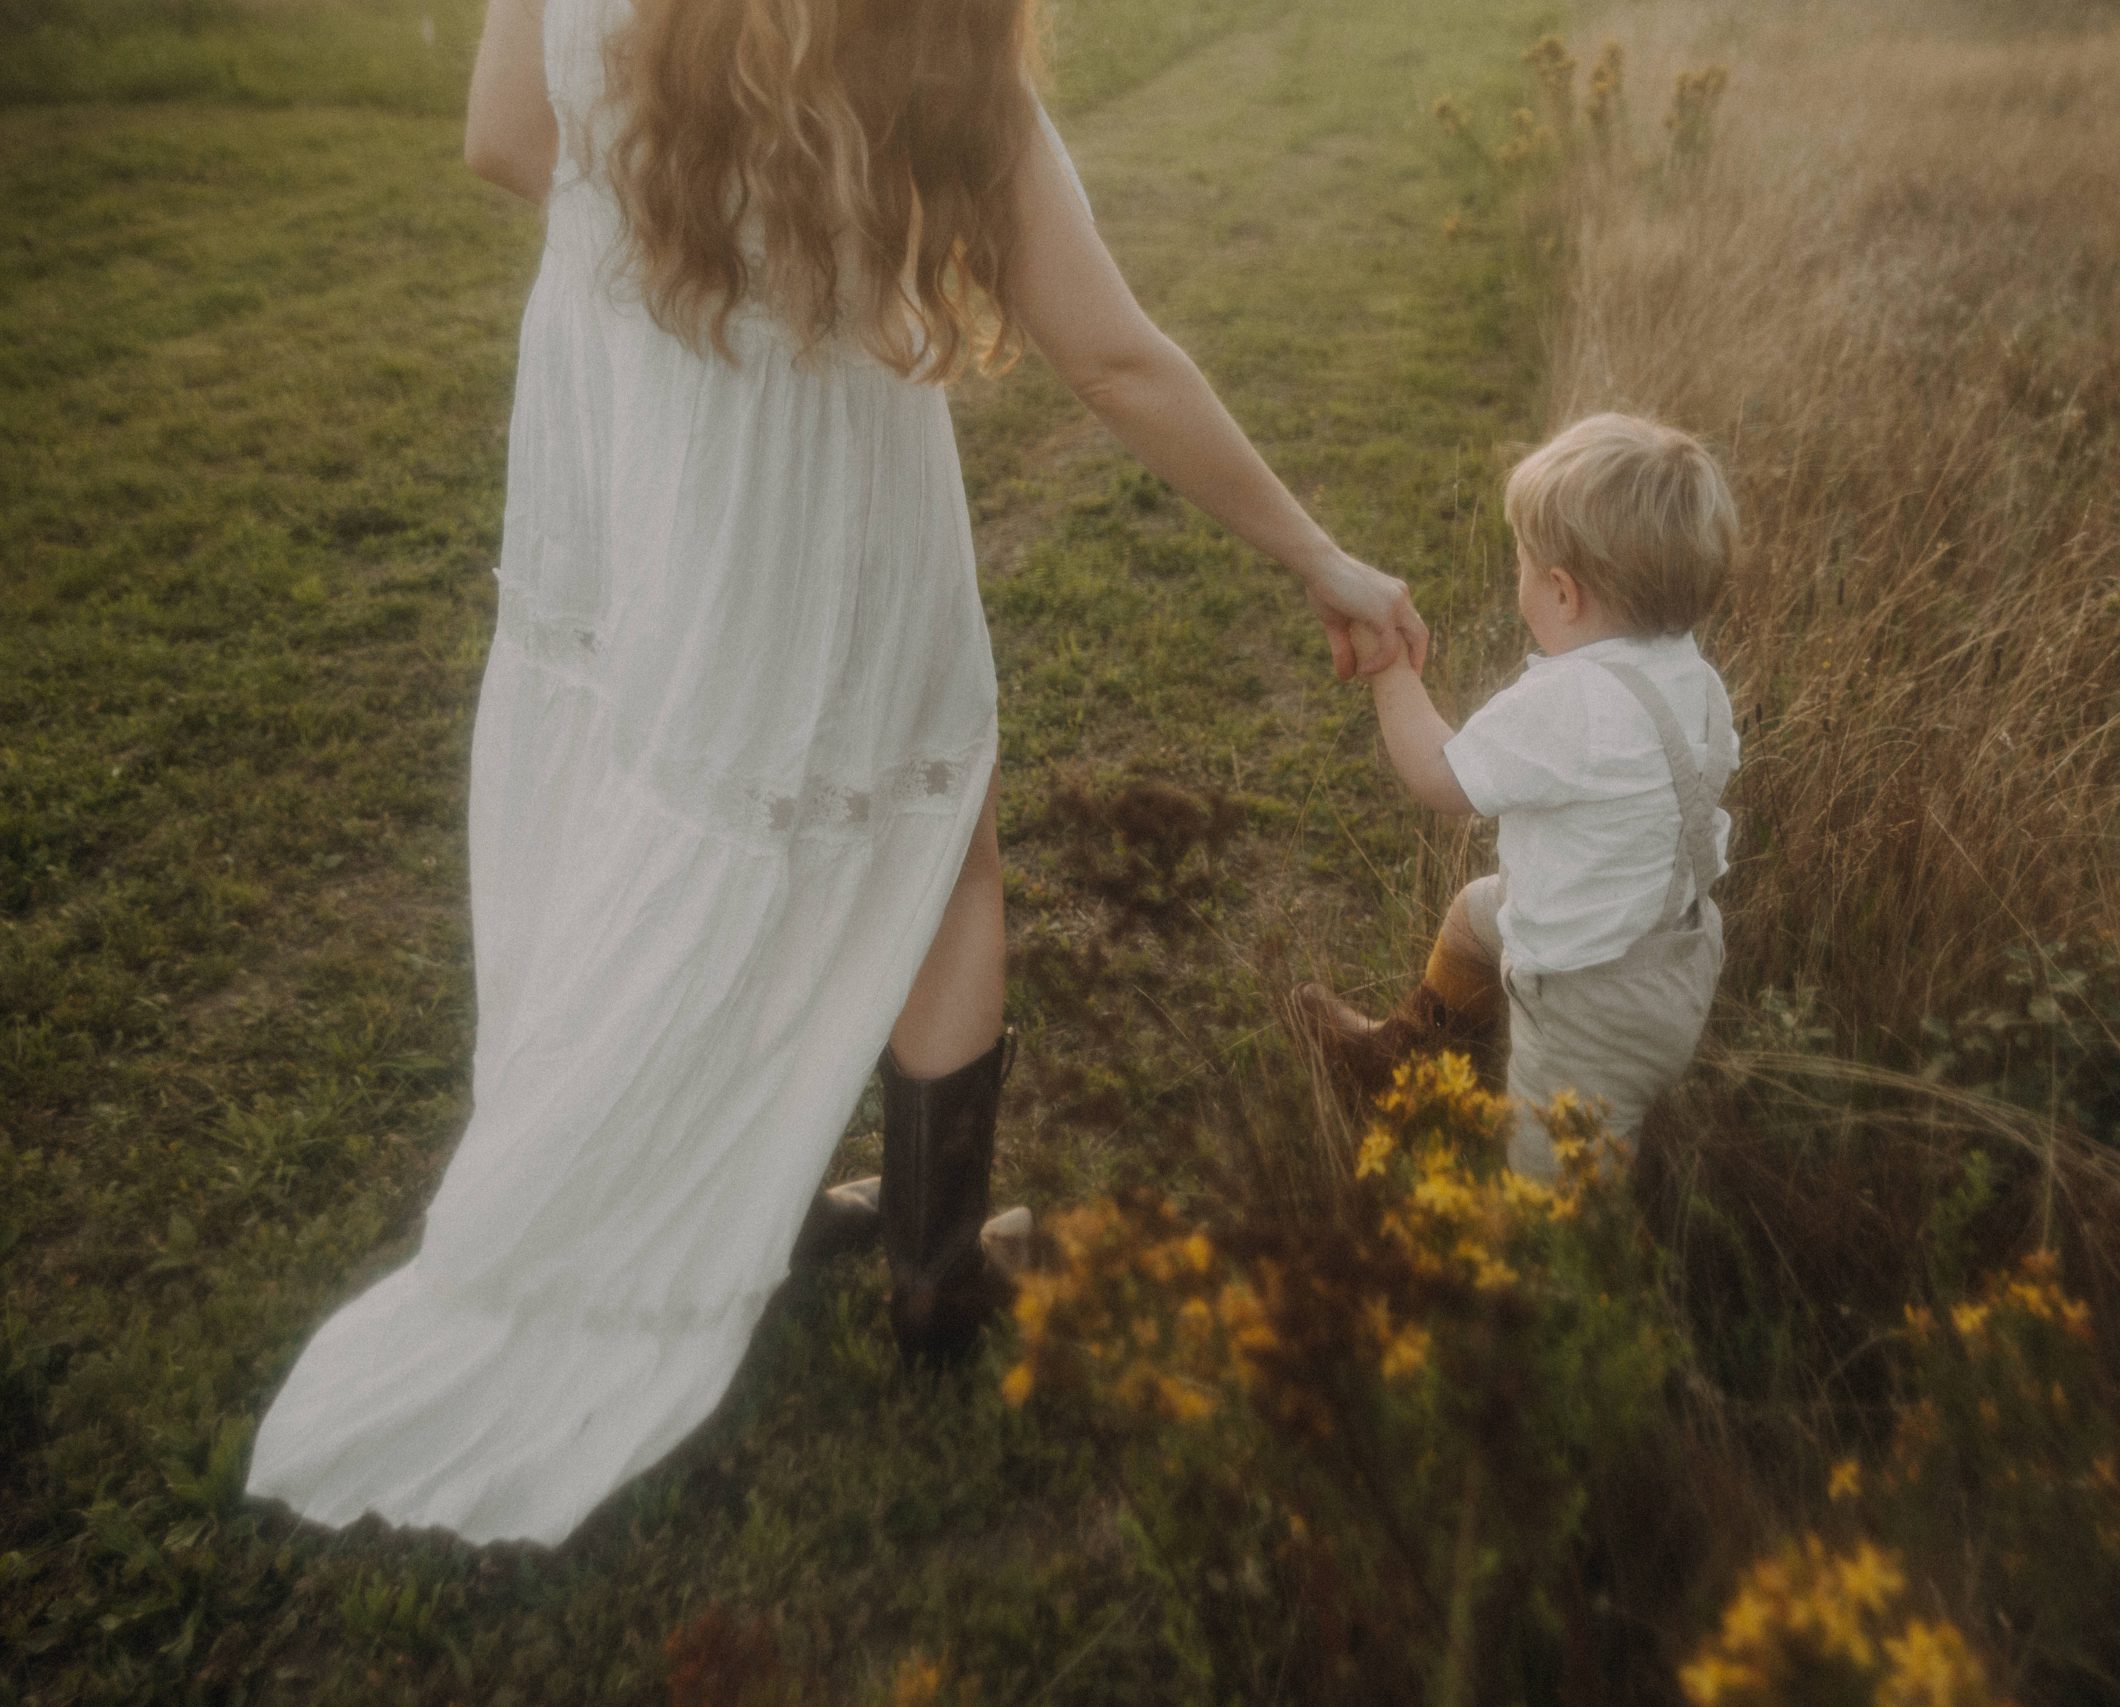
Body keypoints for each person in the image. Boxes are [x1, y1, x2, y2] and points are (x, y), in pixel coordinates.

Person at [243, 0, 1425, 1548]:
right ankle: (936, 1271)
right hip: (825, 495)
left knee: (650, 794)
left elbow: (504, 144)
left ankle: (760, 1180)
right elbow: (1114, 357)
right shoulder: (932, 37)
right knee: (941, 855)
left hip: (637, 466)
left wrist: (696, 257)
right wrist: (1318, 555)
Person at [1292, 413, 1739, 1179]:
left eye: (1523, 562)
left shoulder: (1570, 703)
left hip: (1585, 1011)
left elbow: (1439, 777)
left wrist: (1391, 671)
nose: (1520, 575)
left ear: (1563, 593)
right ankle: (1403, 1051)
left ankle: (1552, 1280)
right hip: (1677, 952)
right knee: (1477, 914)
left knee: (1552, 1204)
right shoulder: (1695, 679)